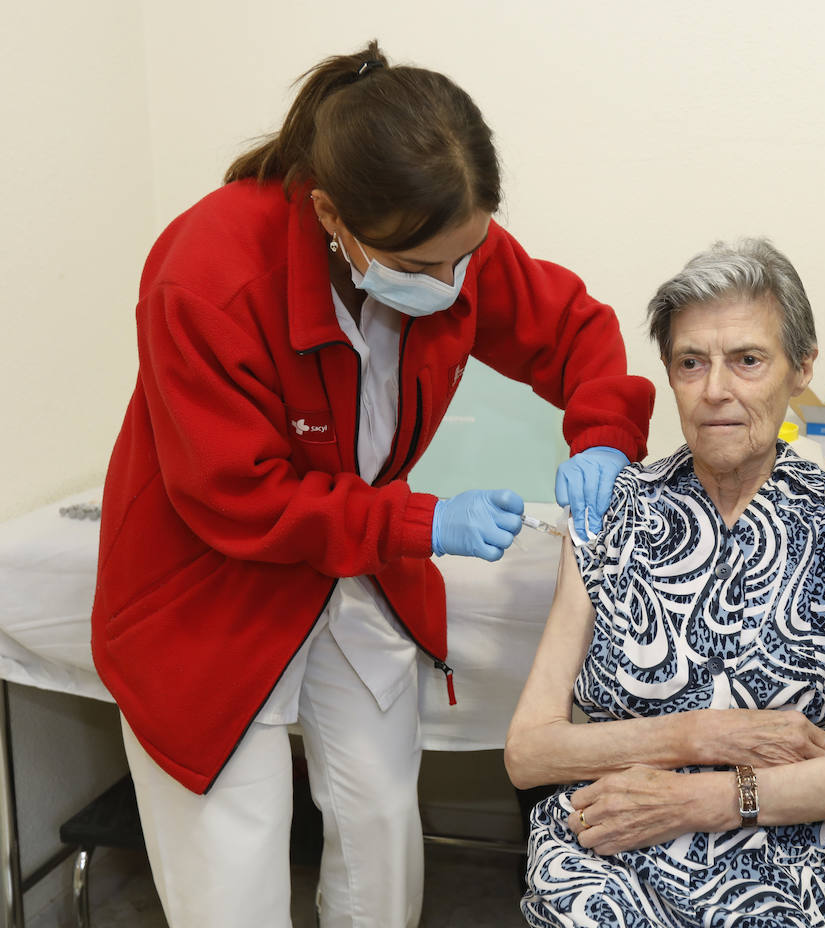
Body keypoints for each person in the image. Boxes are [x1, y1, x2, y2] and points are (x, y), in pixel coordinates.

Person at [91, 42, 653, 927]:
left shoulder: (448, 239)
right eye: (422, 266)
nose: (450, 284)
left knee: (383, 832)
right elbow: (240, 495)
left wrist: (606, 434)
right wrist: (423, 521)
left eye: (464, 257)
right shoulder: (207, 273)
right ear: (330, 216)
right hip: (208, 588)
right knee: (234, 865)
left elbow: (573, 331)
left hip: (349, 567)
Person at [505, 239, 825, 927]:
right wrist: (706, 734)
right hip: (616, 842)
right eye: (690, 363)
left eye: (747, 360)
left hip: (796, 851)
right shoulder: (605, 514)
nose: (715, 391)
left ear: (801, 368)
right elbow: (529, 752)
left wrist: (709, 800)